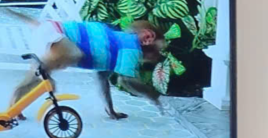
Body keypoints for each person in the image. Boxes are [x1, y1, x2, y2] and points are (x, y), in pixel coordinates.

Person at [13, 18, 165, 121]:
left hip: (48, 30)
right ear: (148, 37)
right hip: (56, 35)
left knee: (32, 79)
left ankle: (14, 108)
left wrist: (110, 110)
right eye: (158, 51)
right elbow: (126, 80)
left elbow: (102, 78)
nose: (157, 57)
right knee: (75, 55)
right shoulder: (131, 48)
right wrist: (153, 95)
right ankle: (43, 70)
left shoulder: (117, 45)